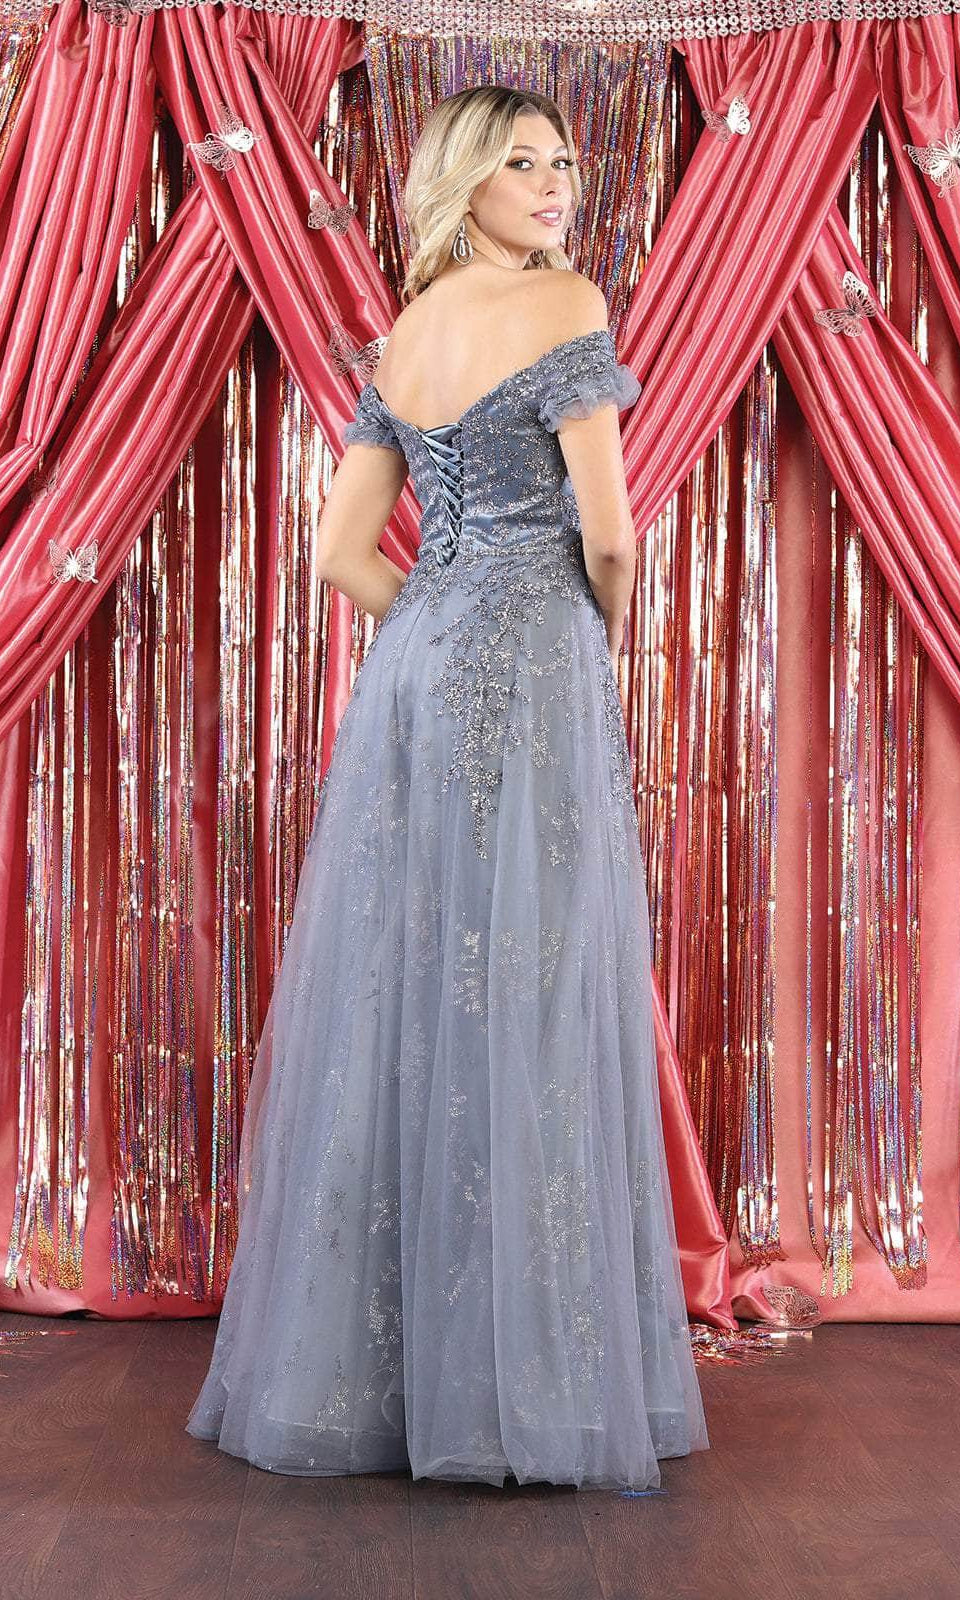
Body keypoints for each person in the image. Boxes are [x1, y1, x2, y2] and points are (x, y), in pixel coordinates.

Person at [185, 83, 709, 1492]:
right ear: (465, 181)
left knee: (412, 983)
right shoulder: (568, 305)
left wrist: (440, 618)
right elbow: (611, 538)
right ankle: (526, 1384)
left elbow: (341, 554)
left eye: (564, 162)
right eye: (522, 163)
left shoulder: (407, 334)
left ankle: (374, 1381)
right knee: (530, 984)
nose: (555, 185)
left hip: (417, 666)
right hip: (531, 662)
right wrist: (589, 631)